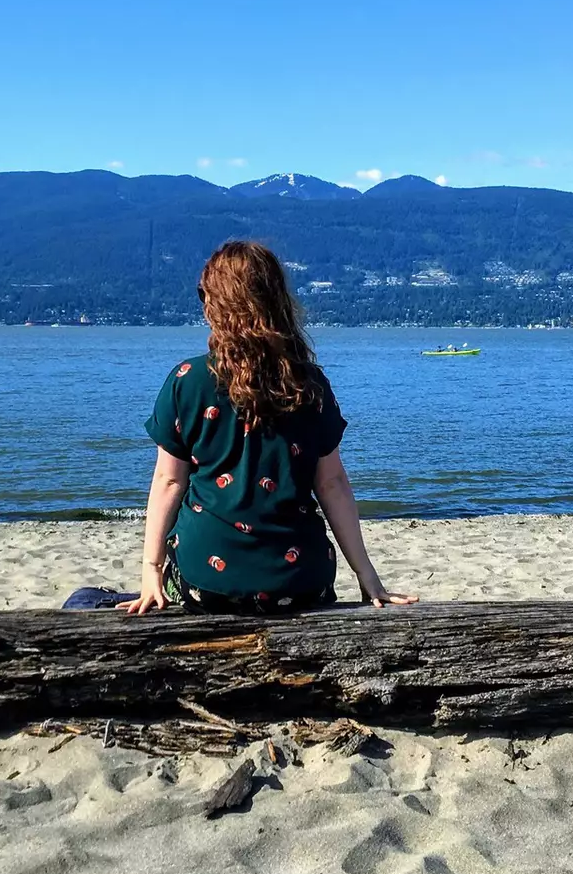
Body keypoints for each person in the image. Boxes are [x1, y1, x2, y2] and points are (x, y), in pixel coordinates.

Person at [118, 240, 415, 616]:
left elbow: (170, 482)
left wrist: (150, 572)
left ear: (217, 304)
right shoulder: (310, 385)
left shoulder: (187, 380)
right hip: (299, 579)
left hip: (208, 581)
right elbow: (331, 484)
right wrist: (366, 575)